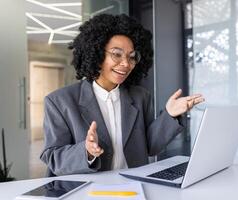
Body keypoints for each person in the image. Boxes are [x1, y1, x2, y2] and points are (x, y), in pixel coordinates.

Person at [40, 14, 204, 176]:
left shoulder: (140, 96)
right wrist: (87, 152)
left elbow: (150, 146)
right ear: (97, 54)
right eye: (116, 54)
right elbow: (53, 157)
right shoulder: (59, 101)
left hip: (133, 186)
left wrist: (170, 115)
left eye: (131, 57)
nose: (126, 64)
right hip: (88, 190)